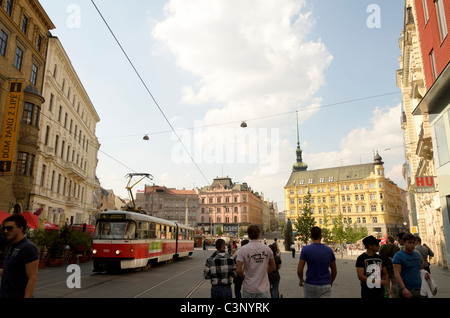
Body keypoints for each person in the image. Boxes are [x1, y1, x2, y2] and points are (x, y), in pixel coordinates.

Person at [0, 214, 39, 298]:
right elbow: (11, 271)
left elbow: (32, 279)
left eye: (10, 228)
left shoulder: (28, 248)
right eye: (4, 228)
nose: (6, 231)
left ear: (20, 229)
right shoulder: (13, 246)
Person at [236, 225, 276, 298]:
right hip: (263, 288)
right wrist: (263, 271)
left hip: (249, 288)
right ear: (259, 233)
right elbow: (273, 267)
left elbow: (238, 270)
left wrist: (244, 276)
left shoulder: (243, 249)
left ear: (248, 235)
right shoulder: (267, 249)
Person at [297, 226, 337, 298]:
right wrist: (330, 281)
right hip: (325, 285)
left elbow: (300, 269)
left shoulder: (305, 250)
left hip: (310, 284)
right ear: (321, 236)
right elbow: (334, 270)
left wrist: (301, 280)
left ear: (310, 236)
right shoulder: (329, 250)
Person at [392, 233, 425, 298]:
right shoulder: (398, 255)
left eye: (413, 243)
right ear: (404, 243)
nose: (412, 245)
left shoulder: (417, 254)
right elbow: (397, 274)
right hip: (406, 289)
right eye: (409, 243)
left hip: (419, 288)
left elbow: (421, 268)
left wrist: (425, 274)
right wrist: (403, 288)